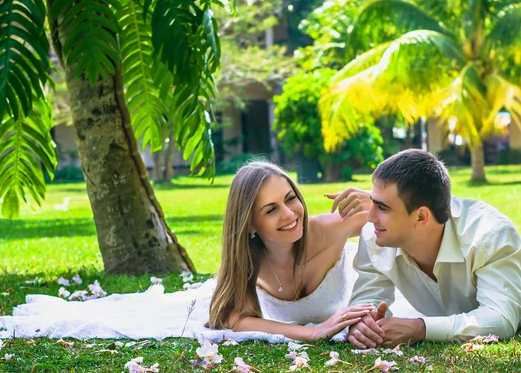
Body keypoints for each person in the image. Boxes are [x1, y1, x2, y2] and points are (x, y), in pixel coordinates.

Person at [343, 149, 521, 348]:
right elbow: (368, 299)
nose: (370, 217)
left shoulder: (489, 235)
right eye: (373, 203)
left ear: (421, 217)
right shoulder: (374, 236)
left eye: (382, 208)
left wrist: (421, 329)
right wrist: (363, 322)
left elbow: (501, 319)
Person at [208, 161, 374, 342]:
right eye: (271, 209)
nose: (288, 214)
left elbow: (396, 216)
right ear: (250, 224)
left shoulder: (331, 229)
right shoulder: (248, 263)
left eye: (290, 198)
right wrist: (313, 332)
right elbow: (233, 319)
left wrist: (374, 199)